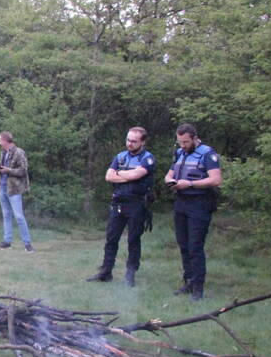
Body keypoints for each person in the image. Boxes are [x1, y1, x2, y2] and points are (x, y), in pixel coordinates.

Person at [87, 127, 156, 286]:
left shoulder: (148, 158)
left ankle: (130, 273)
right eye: (128, 140)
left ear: (142, 142)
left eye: (134, 141)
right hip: (118, 203)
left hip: (137, 204)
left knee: (133, 239)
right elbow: (108, 176)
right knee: (111, 238)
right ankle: (106, 271)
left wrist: (120, 175)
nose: (129, 144)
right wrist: (127, 176)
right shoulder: (120, 156)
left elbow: (136, 175)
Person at [164, 123, 222, 300]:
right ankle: (188, 282)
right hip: (181, 202)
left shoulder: (207, 154)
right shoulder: (180, 153)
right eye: (180, 141)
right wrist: (170, 181)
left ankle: (198, 288)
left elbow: (216, 179)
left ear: (195, 138)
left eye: (186, 142)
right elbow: (169, 174)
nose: (182, 145)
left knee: (195, 246)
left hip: (199, 203)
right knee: (183, 244)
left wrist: (189, 183)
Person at [0, 131, 33, 252]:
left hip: (14, 188)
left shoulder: (19, 152)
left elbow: (23, 171)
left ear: (5, 140)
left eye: (0, 140)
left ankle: (27, 244)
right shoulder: (4, 153)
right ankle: (7, 241)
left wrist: (8, 170)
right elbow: (3, 168)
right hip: (3, 187)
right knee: (6, 215)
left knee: (19, 216)